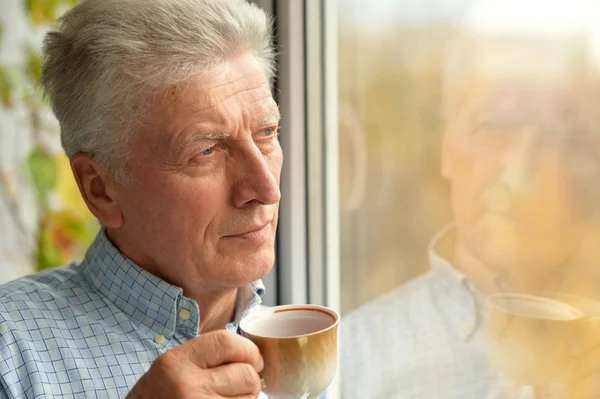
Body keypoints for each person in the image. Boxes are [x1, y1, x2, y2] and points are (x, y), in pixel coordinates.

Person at [0, 0, 281, 398]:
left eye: (267, 132)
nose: (266, 188)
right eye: (205, 152)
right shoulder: (10, 354)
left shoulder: (302, 343)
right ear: (100, 189)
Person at [341, 34, 600, 398]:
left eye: (563, 139)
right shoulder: (358, 356)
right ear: (447, 147)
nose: (519, 174)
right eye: (494, 126)